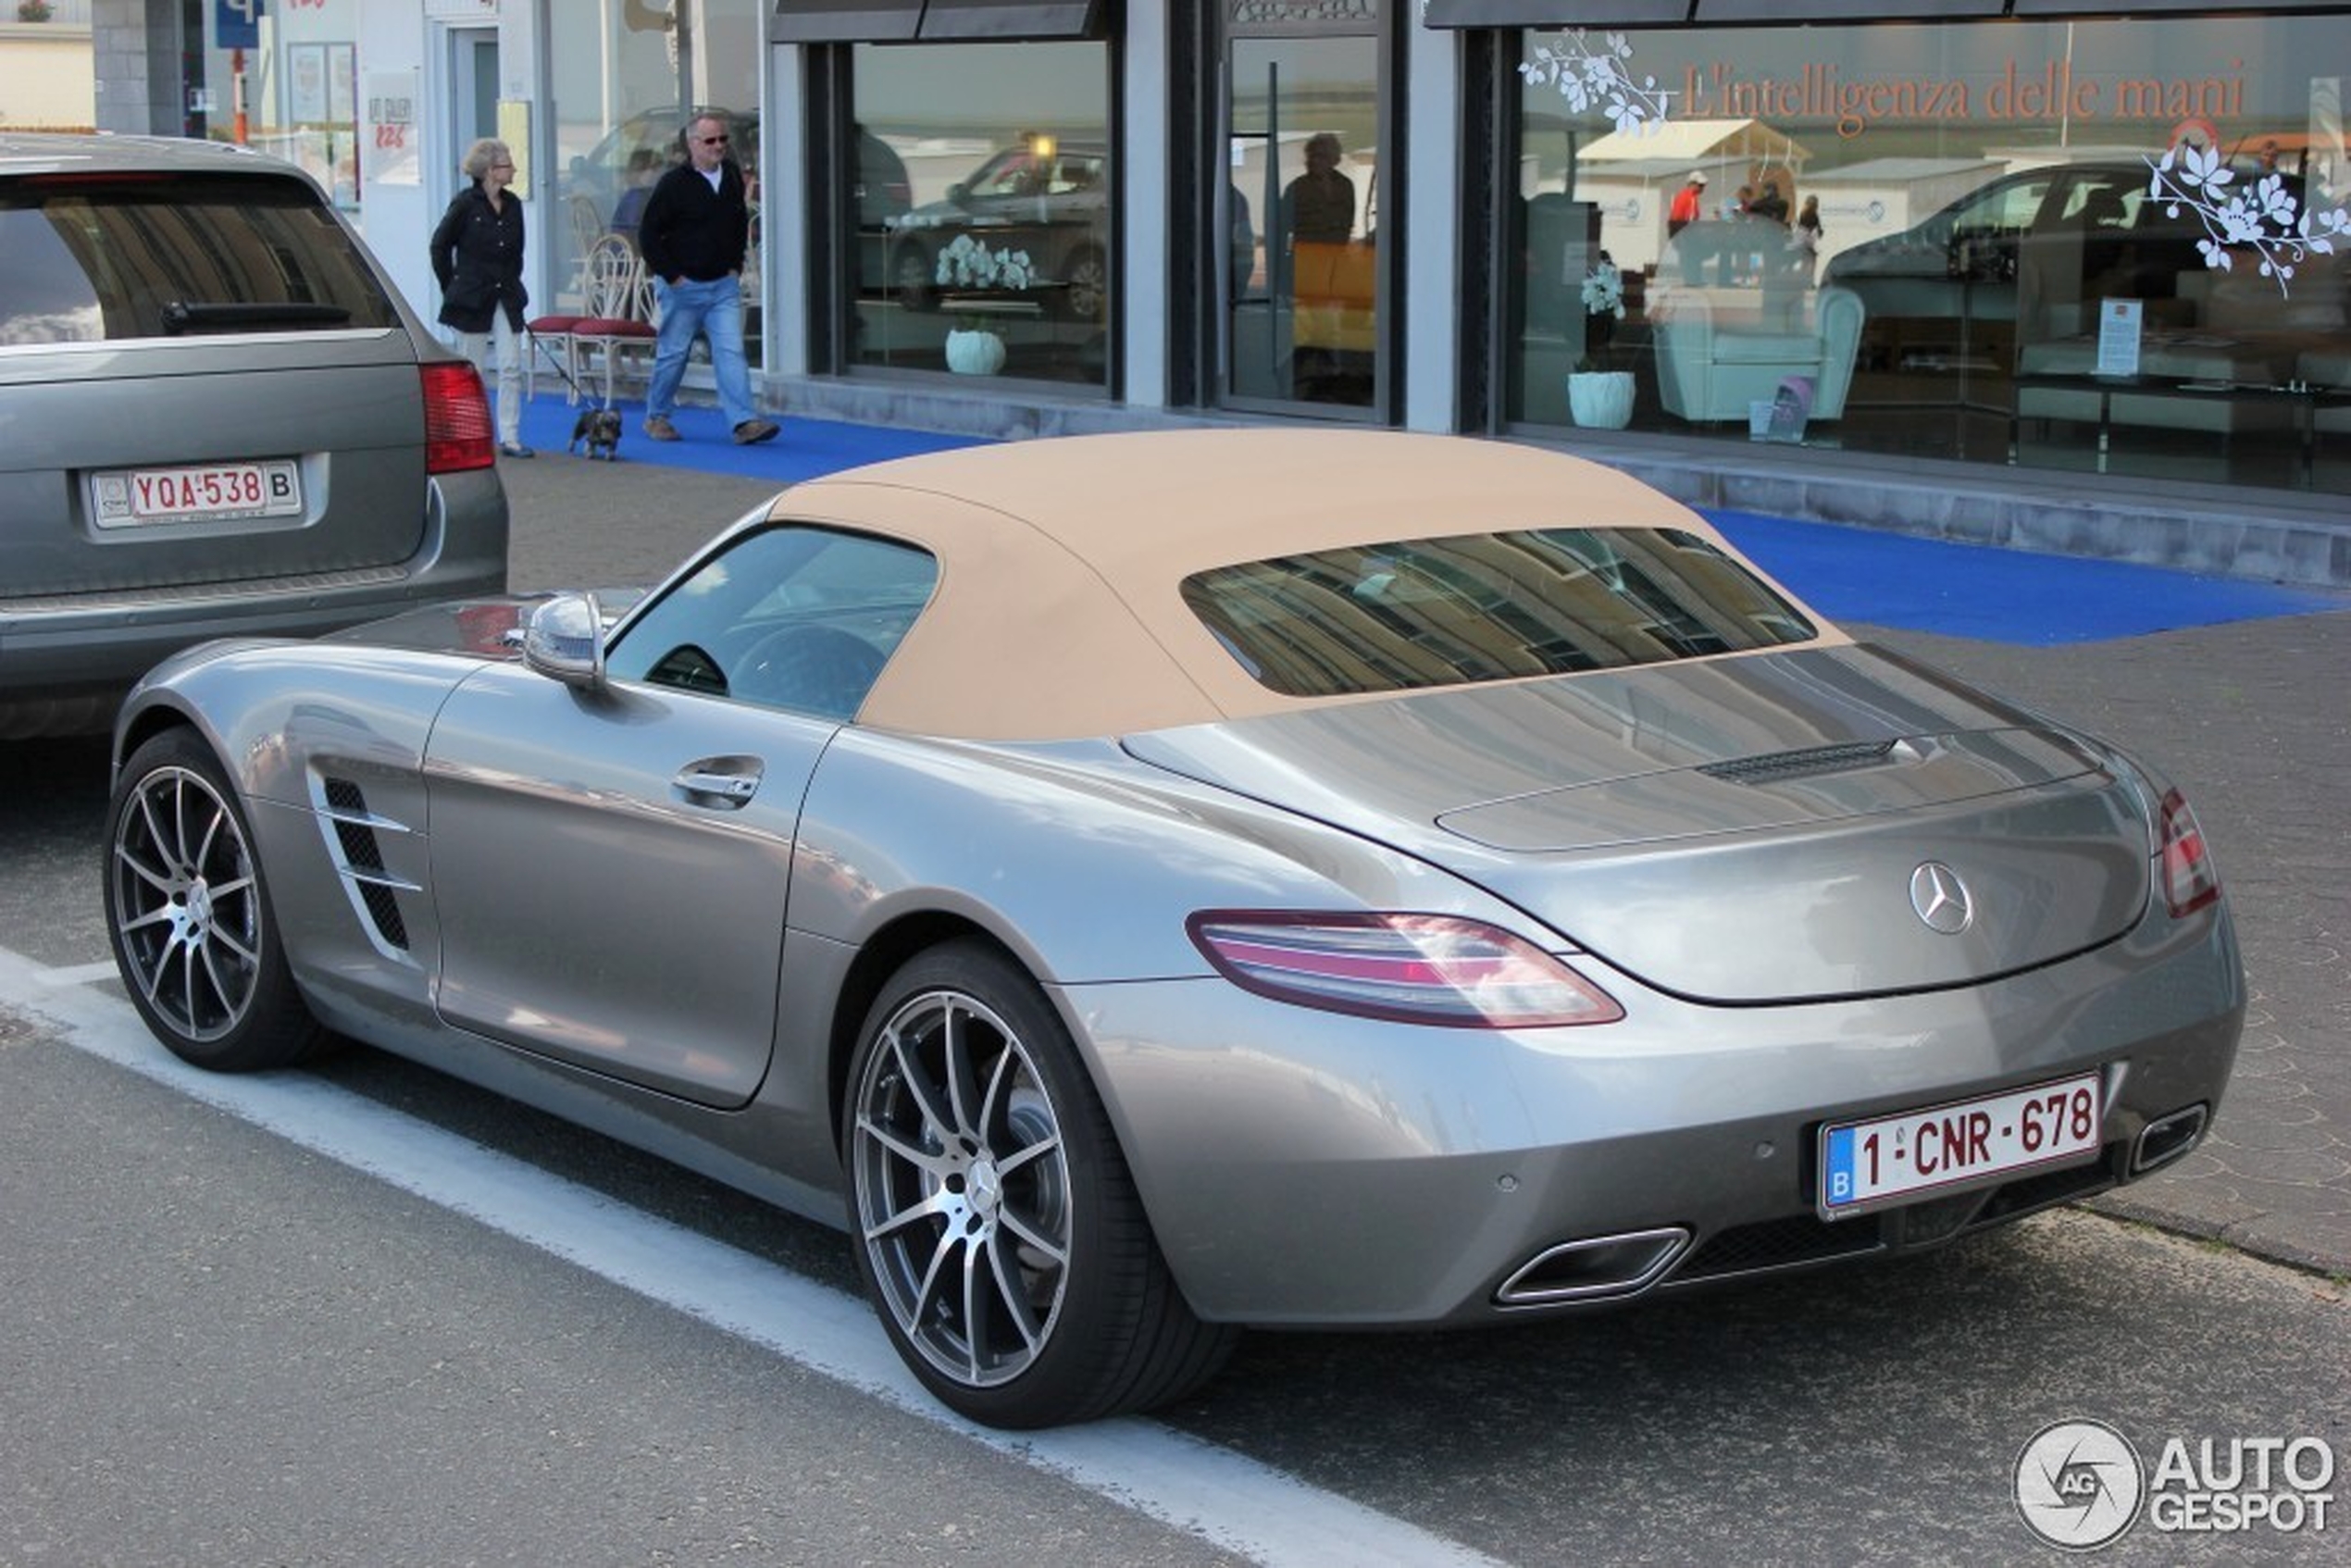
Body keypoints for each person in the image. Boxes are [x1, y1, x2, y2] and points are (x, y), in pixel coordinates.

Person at [637, 111, 778, 445]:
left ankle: (744, 421)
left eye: (723, 139)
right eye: (711, 140)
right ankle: (656, 416)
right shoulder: (673, 184)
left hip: (722, 285)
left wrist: (735, 266)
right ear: (693, 144)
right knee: (674, 353)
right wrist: (673, 277)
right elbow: (648, 234)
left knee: (731, 351)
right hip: (683, 286)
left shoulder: (730, 175)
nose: (719, 146)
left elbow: (736, 220)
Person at [430, 138, 534, 459]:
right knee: (472, 370)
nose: (513, 169)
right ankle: (469, 435)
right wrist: (453, 286)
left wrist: (512, 280)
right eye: (507, 164)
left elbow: (518, 250)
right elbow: (440, 246)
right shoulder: (465, 204)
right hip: (472, 295)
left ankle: (511, 435)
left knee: (510, 365)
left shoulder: (513, 204)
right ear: (490, 171)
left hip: (506, 292)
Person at [1283, 132, 1356, 245]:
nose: (1315, 161)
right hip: (1306, 254)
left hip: (1338, 253)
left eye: (1321, 156)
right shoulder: (1296, 188)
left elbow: (1347, 223)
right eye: (1311, 156)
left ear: (1334, 159)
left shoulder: (1345, 185)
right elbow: (1284, 228)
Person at [1667, 169, 1706, 237]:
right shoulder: (1684, 197)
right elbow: (1676, 219)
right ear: (1692, 184)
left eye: (1704, 185)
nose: (1703, 188)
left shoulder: (1693, 198)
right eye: (1701, 185)